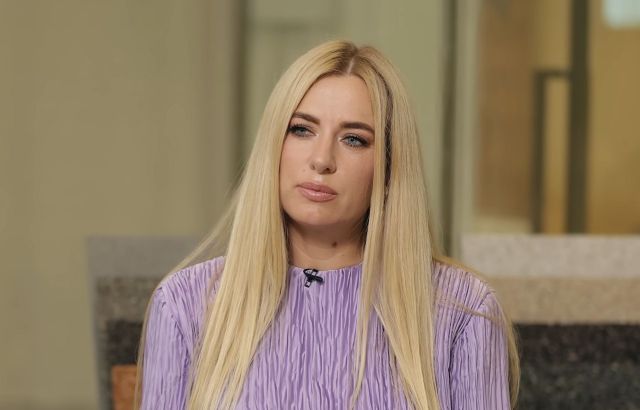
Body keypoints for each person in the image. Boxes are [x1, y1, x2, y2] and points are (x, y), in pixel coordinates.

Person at [134, 40, 520, 410]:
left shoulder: (463, 310)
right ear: (273, 145)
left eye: (354, 139)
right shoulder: (184, 304)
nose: (321, 160)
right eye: (301, 129)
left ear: (389, 167)